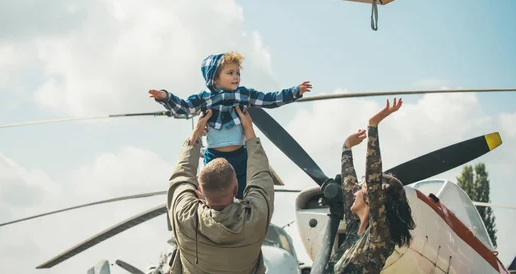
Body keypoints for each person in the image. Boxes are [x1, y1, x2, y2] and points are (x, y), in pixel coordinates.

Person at [150, 51, 311, 199]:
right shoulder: (205, 98)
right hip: (214, 155)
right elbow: (185, 107)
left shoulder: (243, 94)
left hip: (240, 154)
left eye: (238, 73)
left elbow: (269, 99)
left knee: (243, 193)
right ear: (214, 78)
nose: (236, 77)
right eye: (230, 73)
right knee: (212, 189)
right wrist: (165, 97)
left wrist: (294, 92)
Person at [166, 106, 275, 274]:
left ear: (200, 191)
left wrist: (196, 134)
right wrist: (249, 132)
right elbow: (260, 177)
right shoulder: (256, 217)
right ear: (237, 188)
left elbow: (182, 175)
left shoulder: (185, 216)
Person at [327, 98, 416, 274]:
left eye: (362, 188)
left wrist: (372, 126)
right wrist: (346, 148)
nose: (355, 191)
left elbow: (373, 181)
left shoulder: (379, 234)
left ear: (372, 199)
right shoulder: (355, 227)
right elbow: (348, 185)